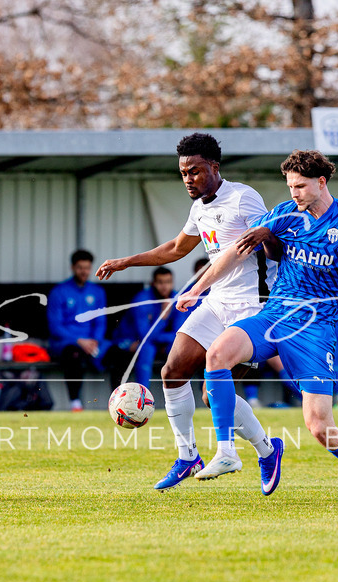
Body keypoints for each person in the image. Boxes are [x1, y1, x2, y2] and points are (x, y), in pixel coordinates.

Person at [178, 150, 338, 505]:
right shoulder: (284, 213)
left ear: (321, 182)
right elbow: (234, 252)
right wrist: (196, 289)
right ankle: (226, 451)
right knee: (216, 354)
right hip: (274, 315)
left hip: (316, 329)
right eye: (290, 186)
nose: (293, 192)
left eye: (300, 186)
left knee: (319, 427)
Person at [95, 132, 282, 492]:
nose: (188, 179)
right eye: (183, 173)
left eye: (194, 171)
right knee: (172, 371)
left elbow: (274, 245)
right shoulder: (199, 208)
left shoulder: (244, 198)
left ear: (214, 167)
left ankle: (266, 449)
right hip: (216, 301)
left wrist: (266, 236)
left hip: (253, 306)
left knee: (214, 394)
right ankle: (187, 456)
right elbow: (176, 248)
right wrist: (125, 262)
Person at [47, 249, 111, 412]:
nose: (84, 272)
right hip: (66, 342)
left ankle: (119, 402)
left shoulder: (97, 292)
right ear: (73, 268)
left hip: (92, 342)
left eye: (87, 268)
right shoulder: (58, 292)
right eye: (80, 268)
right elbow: (55, 327)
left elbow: (101, 321)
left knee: (119, 353)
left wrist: (95, 340)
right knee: (73, 355)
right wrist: (79, 341)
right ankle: (75, 403)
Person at [107, 266, 186, 389]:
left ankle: (179, 393)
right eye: (160, 282)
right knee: (147, 349)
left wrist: (161, 340)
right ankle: (143, 396)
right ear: (153, 283)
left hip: (156, 342)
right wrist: (163, 316)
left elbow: (179, 334)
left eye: (168, 282)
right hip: (130, 340)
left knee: (179, 350)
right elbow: (145, 336)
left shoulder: (177, 299)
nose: (164, 286)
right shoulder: (142, 299)